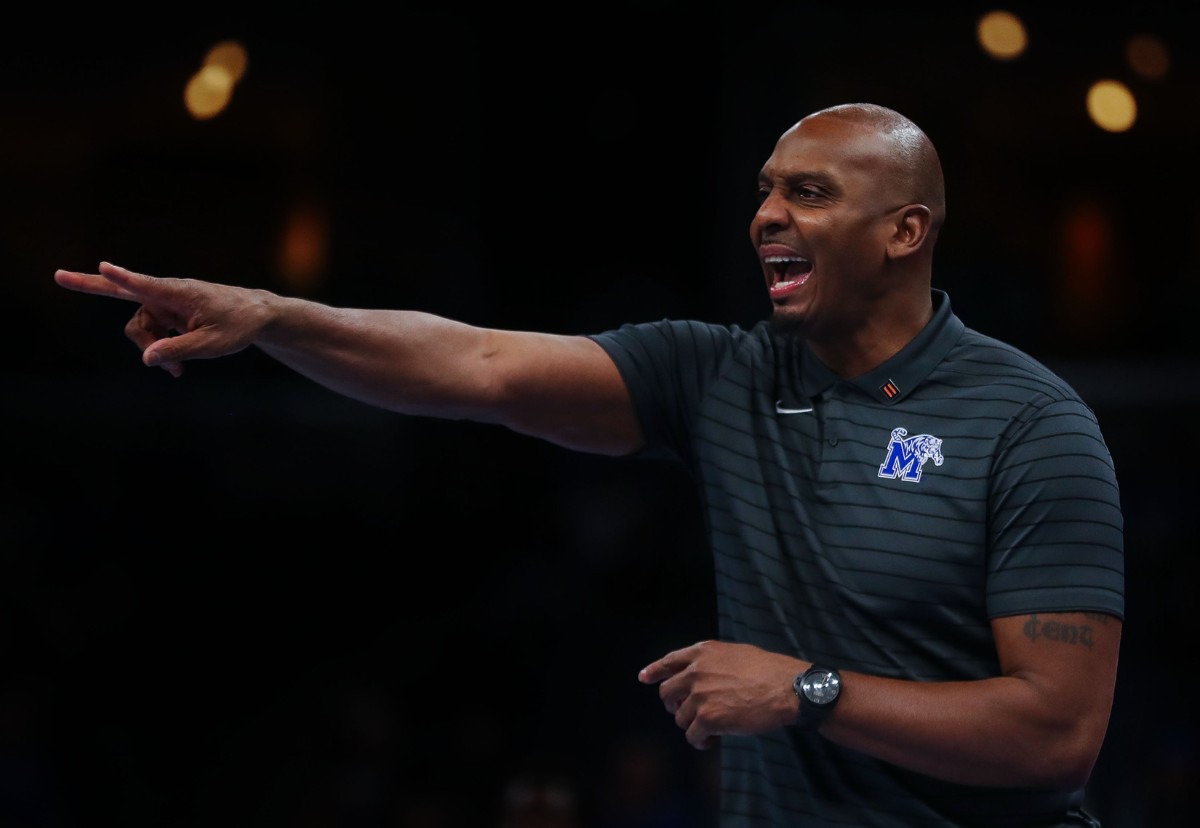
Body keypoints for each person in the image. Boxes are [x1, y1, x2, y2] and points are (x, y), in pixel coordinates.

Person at [54, 102, 1125, 827]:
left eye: (807, 194)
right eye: (763, 191)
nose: (765, 217)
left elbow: (1056, 737)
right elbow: (472, 364)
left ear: (904, 232)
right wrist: (273, 317)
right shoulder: (720, 377)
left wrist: (808, 690)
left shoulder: (1031, 423)